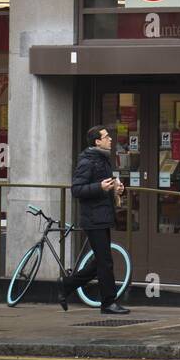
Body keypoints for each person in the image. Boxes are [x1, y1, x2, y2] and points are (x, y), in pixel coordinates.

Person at [63, 125, 129, 315]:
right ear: (97, 141)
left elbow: (104, 187)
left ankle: (66, 286)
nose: (110, 139)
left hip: (103, 216)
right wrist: (99, 187)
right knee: (105, 262)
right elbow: (77, 189)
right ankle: (108, 303)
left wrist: (116, 189)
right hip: (93, 218)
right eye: (106, 137)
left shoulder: (103, 159)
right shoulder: (87, 161)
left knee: (100, 262)